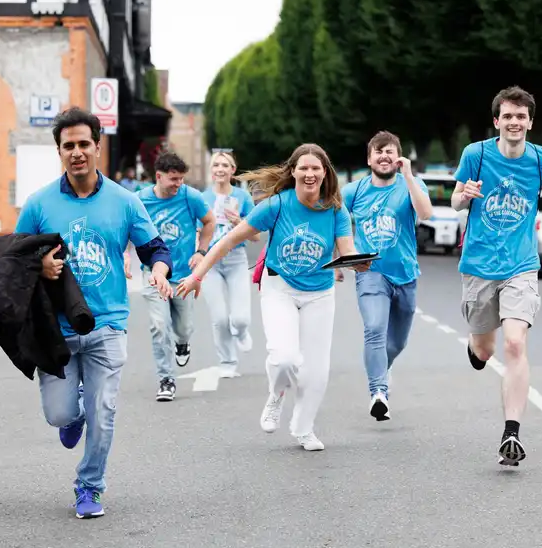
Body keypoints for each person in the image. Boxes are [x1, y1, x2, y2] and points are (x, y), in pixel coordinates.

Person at [15, 107, 173, 518]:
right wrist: (40, 265)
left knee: (105, 412)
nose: (77, 152)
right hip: (56, 330)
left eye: (84, 143)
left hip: (108, 324)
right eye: (69, 146)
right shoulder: (38, 204)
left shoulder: (124, 201)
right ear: (59, 151)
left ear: (97, 147)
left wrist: (157, 270)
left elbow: (154, 248)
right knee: (59, 414)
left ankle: (90, 487)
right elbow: (15, 259)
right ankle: (74, 412)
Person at [176, 144, 372, 451]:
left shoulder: (336, 210)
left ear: (325, 173)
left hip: (319, 294)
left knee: (316, 373)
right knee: (285, 359)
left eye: (315, 168)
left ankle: (303, 429)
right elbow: (227, 241)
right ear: (293, 171)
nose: (309, 174)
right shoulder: (277, 205)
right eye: (303, 168)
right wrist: (197, 275)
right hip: (279, 288)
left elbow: (347, 253)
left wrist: (357, 262)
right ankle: (276, 395)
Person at [451, 86, 542, 467]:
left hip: (521, 264)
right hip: (477, 266)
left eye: (520, 116)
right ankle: (476, 347)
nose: (514, 122)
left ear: (530, 122)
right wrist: (466, 195)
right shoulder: (475, 156)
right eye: (507, 116)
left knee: (514, 345)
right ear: (497, 121)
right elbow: (456, 200)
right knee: (485, 350)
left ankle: (512, 432)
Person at [341, 131, 433, 422]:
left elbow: (426, 213)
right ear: (369, 159)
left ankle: (382, 367)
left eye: (390, 151)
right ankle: (378, 392)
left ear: (398, 157)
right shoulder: (354, 191)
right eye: (378, 151)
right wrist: (341, 257)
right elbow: (333, 219)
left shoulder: (412, 184)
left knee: (397, 343)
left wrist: (408, 177)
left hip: (405, 273)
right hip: (371, 272)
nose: (384, 156)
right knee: (374, 328)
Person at [133, 151, 215, 401]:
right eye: (173, 179)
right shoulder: (140, 200)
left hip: (183, 277)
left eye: (181, 179)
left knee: (184, 327)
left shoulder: (191, 197)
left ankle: (182, 343)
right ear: (158, 177)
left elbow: (210, 222)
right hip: (153, 276)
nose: (178, 184)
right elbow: (127, 229)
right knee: (159, 326)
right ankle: (166, 379)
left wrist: (201, 252)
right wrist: (126, 255)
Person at [199, 150, 257, 378]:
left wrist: (239, 223)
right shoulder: (202, 198)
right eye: (216, 165)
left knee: (239, 318)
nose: (220, 169)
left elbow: (255, 235)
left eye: (225, 165)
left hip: (236, 260)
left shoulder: (243, 198)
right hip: (210, 261)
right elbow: (197, 231)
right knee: (220, 318)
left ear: (233, 170)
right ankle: (227, 362)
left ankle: (241, 332)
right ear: (211, 170)